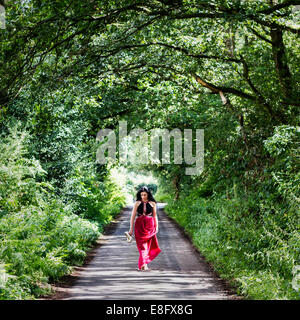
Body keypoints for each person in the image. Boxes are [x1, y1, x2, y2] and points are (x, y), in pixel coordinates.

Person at [127, 186, 162, 271]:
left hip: (150, 225)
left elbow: (155, 216)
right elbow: (132, 216)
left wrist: (156, 226)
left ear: (148, 195)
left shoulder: (153, 203)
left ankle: (144, 265)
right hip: (139, 225)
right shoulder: (137, 203)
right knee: (142, 246)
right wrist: (131, 229)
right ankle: (144, 264)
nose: (143, 197)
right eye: (141, 195)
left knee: (148, 246)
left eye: (145, 195)